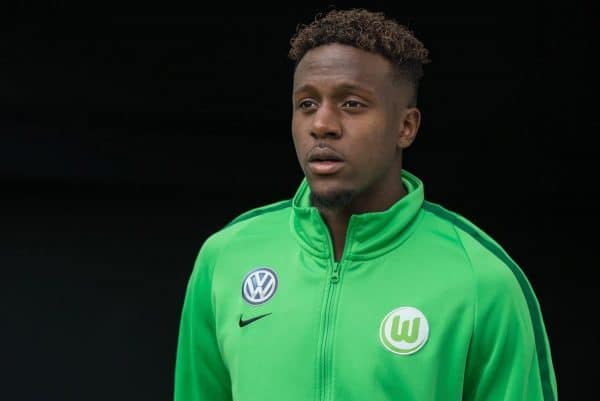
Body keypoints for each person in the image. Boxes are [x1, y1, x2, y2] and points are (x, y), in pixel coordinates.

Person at [173, 8, 558, 401]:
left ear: (405, 127)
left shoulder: (481, 281)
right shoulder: (226, 257)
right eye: (306, 104)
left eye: (352, 104)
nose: (321, 124)